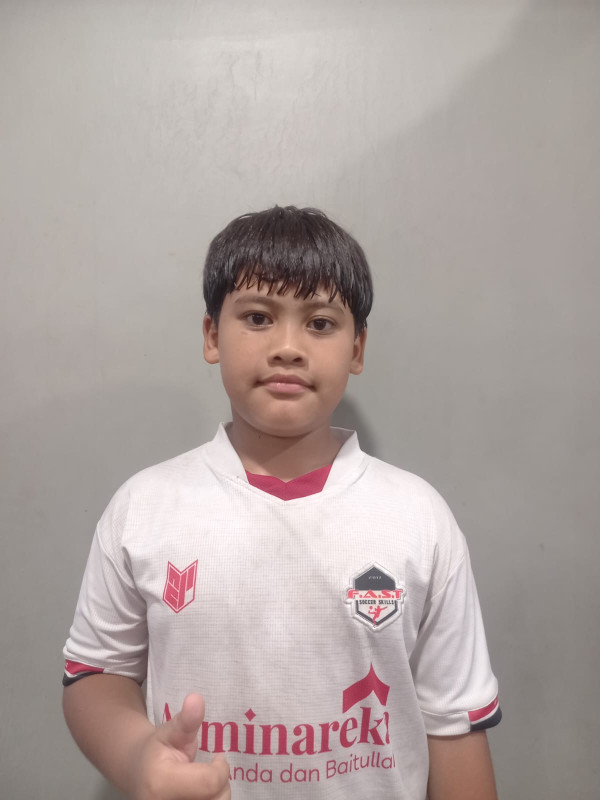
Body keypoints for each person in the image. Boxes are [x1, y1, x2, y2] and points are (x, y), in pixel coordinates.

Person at [62, 206, 501, 800]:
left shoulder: (418, 519)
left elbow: (454, 723)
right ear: (212, 335)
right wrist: (137, 756)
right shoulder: (143, 508)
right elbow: (96, 673)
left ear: (357, 348)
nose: (288, 348)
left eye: (320, 323)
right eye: (258, 317)